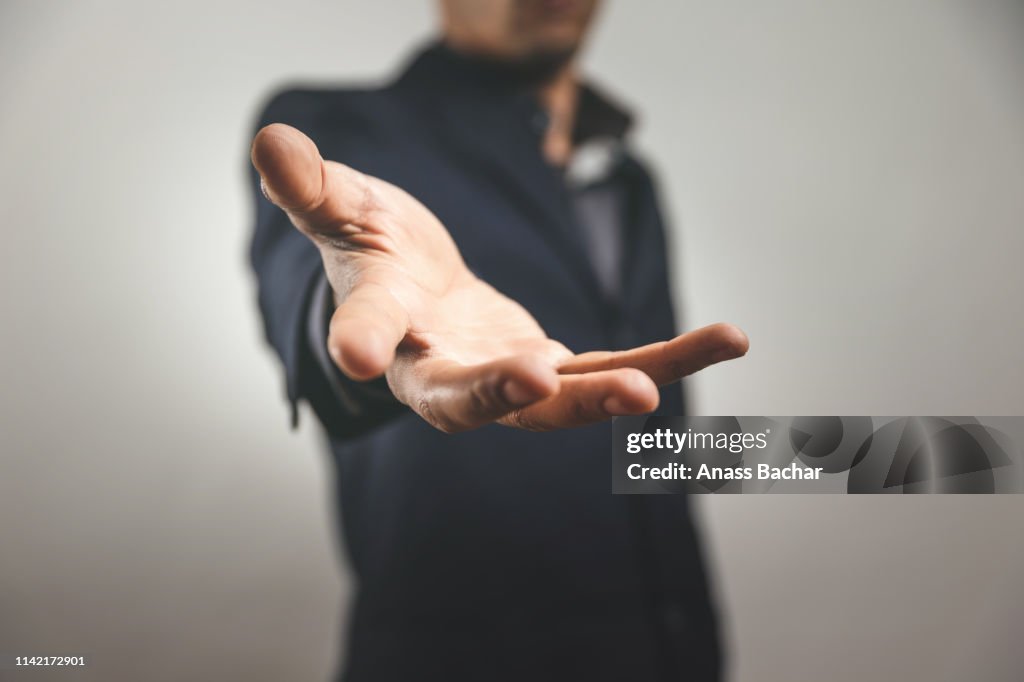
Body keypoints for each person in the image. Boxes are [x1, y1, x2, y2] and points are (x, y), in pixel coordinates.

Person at [249, 1, 748, 679]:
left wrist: (876, 458)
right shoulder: (341, 128)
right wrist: (367, 319)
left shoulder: (631, 180)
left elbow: (650, 444)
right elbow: (315, 292)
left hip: (671, 647)